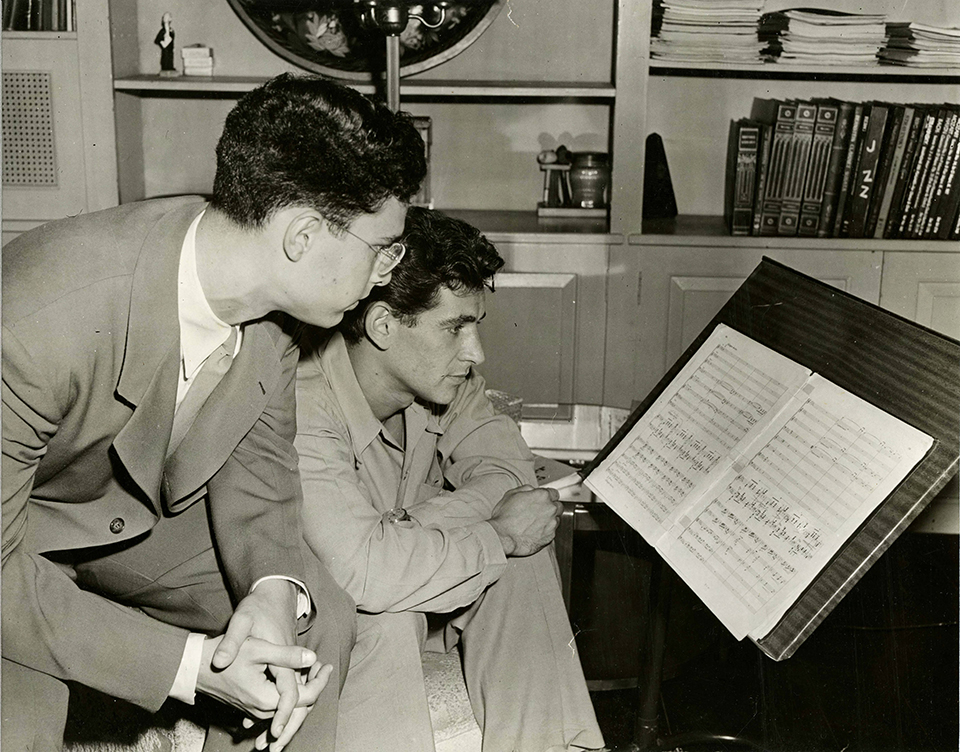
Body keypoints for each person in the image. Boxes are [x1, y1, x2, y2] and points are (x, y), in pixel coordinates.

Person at [1, 73, 426, 752]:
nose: (386, 277)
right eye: (384, 251)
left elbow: (257, 465)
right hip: (12, 546)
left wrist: (269, 591)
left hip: (124, 524)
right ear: (304, 235)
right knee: (16, 725)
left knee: (312, 626)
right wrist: (190, 667)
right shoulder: (33, 319)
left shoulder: (280, 305)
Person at [294, 207, 606, 752]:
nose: (476, 352)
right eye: (455, 328)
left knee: (524, 554)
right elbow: (361, 574)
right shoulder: (303, 402)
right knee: (390, 616)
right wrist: (494, 534)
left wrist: (406, 530)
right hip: (321, 626)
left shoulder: (444, 382)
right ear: (383, 325)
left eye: (475, 326)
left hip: (414, 597)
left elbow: (510, 479)